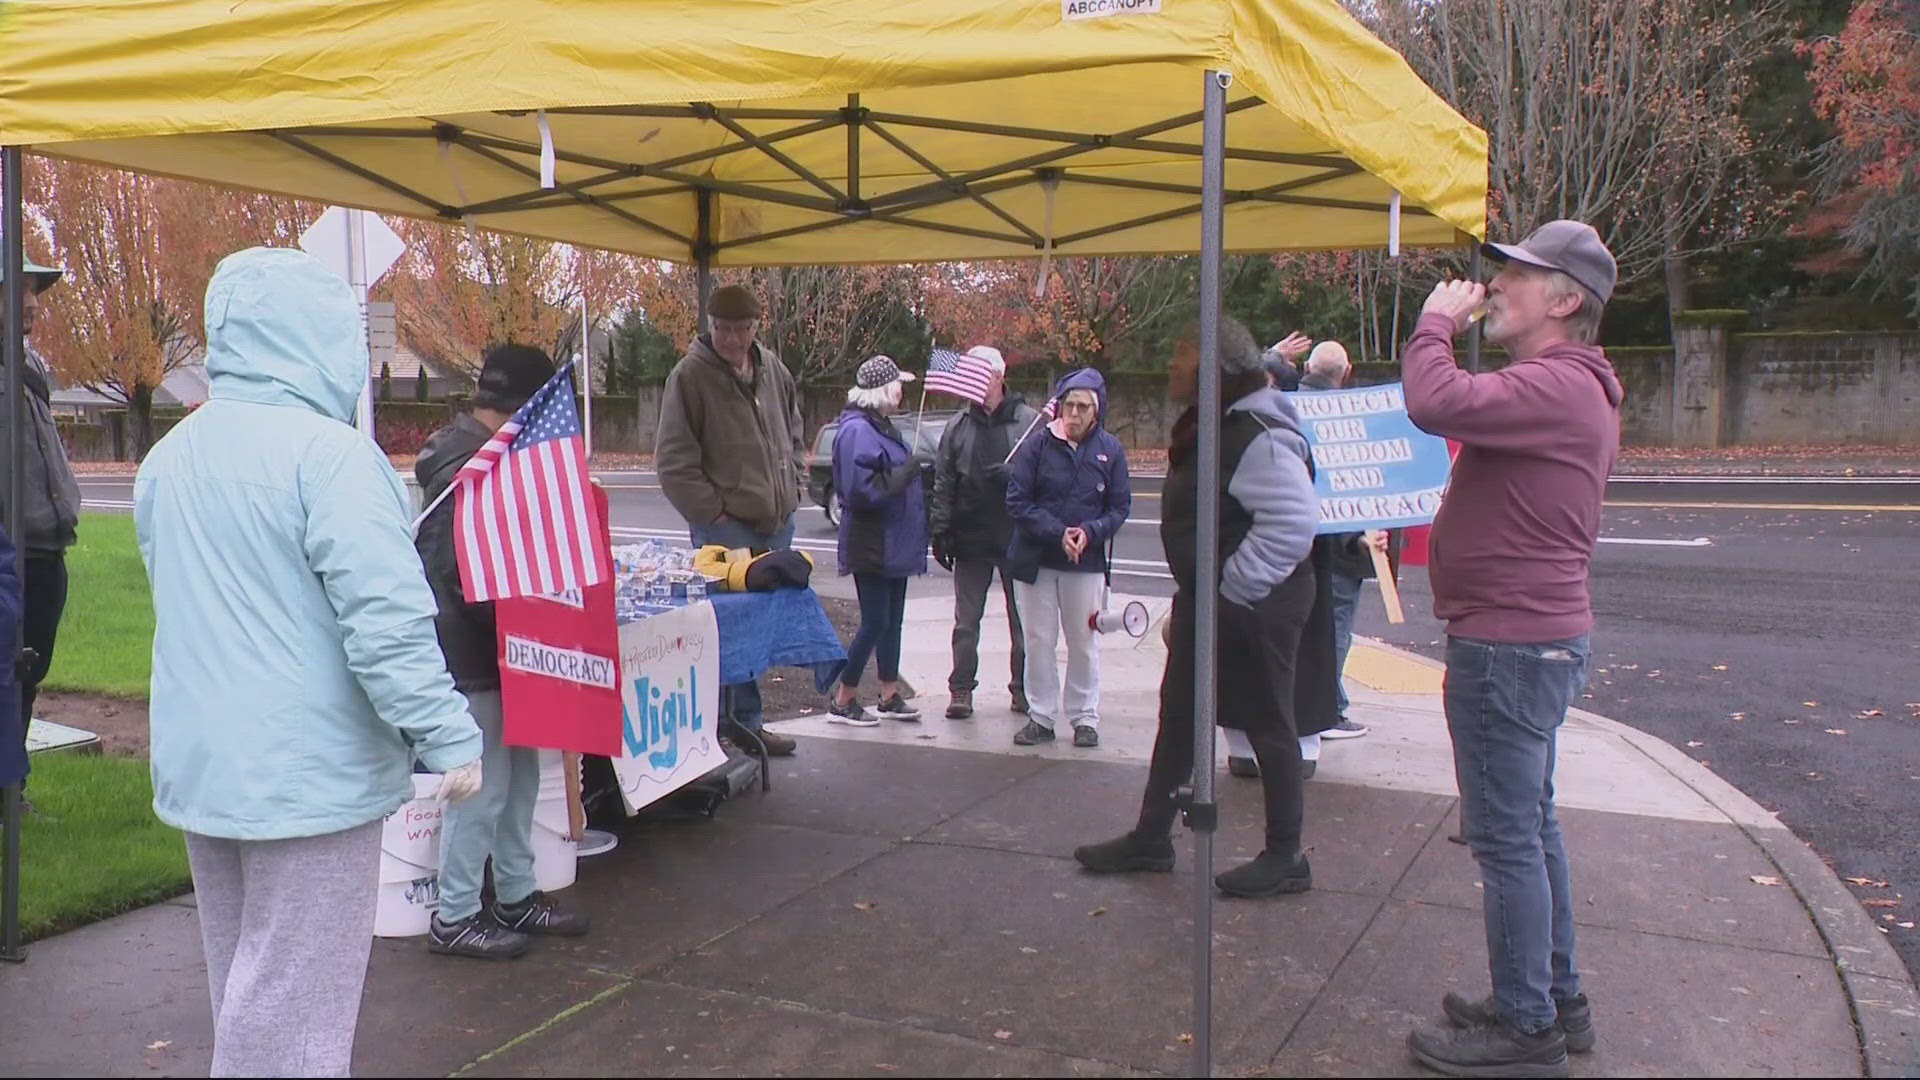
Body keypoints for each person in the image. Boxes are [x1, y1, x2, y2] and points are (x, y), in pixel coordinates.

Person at [135, 248, 485, 1077]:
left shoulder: (167, 460)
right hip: (310, 777)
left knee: (249, 989)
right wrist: (449, 734)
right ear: (319, 340)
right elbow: (389, 624)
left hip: (206, 765)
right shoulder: (330, 457)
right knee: (294, 1012)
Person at [1400, 220, 1622, 1078]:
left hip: (1509, 647)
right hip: (1532, 641)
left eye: (1516, 276)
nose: (1494, 285)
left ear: (1564, 300)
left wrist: (1432, 324)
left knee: (1505, 841)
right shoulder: (1568, 384)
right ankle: (1553, 1000)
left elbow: (1436, 402)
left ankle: (1527, 1029)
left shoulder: (1559, 383)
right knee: (1531, 831)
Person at [1073, 315, 1320, 897]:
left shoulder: (1257, 431)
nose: (1171, 369)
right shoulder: (1222, 422)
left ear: (1217, 372)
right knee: (1180, 716)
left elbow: (1293, 525)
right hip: (1216, 601)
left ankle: (1287, 856)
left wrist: (1229, 591)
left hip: (1252, 604)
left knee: (1268, 722)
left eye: (1184, 359)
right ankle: (1152, 836)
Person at [416, 343, 590, 959]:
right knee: (483, 786)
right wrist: (529, 610)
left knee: (518, 781)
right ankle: (455, 915)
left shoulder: (484, 460)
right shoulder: (465, 470)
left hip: (510, 649)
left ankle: (515, 893)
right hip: (476, 653)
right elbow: (454, 572)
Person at [655, 283, 806, 756]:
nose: (734, 340)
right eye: (724, 329)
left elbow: (794, 430)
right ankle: (728, 725)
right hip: (727, 527)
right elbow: (674, 462)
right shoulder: (689, 377)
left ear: (756, 327)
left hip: (775, 522)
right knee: (725, 628)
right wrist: (713, 515)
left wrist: (796, 483)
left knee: (758, 628)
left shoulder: (773, 370)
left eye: (743, 330)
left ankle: (748, 724)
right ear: (710, 326)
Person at [1005, 368, 1130, 749]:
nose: (1074, 414)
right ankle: (1040, 716)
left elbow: (1119, 507)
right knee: (1039, 639)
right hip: (1036, 561)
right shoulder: (1036, 447)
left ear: (1097, 411)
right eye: (1068, 405)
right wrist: (1058, 533)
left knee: (1084, 641)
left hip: (1085, 564)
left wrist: (1088, 532)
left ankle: (1084, 717)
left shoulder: (1110, 450)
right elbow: (1018, 502)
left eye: (1083, 407)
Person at [0, 256, 81, 798]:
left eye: (35, 290)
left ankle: (13, 792)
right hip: (7, 551)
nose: (31, 301)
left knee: (30, 670)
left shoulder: (30, 362)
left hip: (47, 548)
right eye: (17, 289)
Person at [929, 345, 1039, 720]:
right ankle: (961, 690)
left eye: (980, 375)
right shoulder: (958, 427)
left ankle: (1024, 690)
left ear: (998, 376)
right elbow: (943, 481)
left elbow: (1047, 478)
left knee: (1023, 621)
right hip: (971, 538)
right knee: (966, 622)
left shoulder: (1030, 423)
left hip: (1017, 537)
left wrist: (1020, 478)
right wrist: (941, 529)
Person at [824, 356, 927, 724]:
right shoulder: (858, 431)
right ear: (882, 389)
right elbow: (860, 491)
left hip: (893, 539)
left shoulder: (879, 426)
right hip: (873, 541)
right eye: (898, 383)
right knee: (875, 621)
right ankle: (844, 698)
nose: (902, 389)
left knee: (892, 620)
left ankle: (889, 693)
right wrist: (904, 475)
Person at [1297, 340, 1371, 742]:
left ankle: (1312, 703)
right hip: (1340, 547)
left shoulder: (1285, 406)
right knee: (1335, 629)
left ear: (1308, 366)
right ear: (1347, 371)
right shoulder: (1354, 418)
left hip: (1294, 540)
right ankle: (1330, 707)